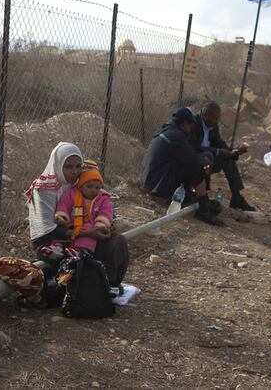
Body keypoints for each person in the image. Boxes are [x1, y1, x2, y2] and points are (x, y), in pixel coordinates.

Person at [26, 142, 129, 286]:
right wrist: (89, 233)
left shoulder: (79, 184)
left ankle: (107, 287)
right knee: (87, 254)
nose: (74, 171)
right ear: (58, 165)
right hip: (51, 243)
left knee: (118, 242)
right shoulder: (44, 188)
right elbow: (48, 231)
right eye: (68, 167)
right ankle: (87, 289)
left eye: (78, 166)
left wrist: (106, 226)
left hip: (79, 235)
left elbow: (98, 206)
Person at [140, 107, 222, 226]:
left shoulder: (167, 130)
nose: (190, 128)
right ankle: (204, 211)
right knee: (197, 168)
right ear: (184, 123)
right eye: (190, 124)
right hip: (157, 185)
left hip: (150, 181)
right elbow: (194, 160)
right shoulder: (176, 136)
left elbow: (189, 154)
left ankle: (199, 199)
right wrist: (207, 162)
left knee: (199, 161)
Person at [189, 102, 255, 212]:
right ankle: (200, 196)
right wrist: (218, 151)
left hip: (208, 159)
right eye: (214, 118)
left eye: (217, 119)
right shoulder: (193, 123)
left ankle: (236, 197)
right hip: (195, 160)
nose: (216, 122)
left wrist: (233, 152)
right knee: (209, 156)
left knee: (228, 160)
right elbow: (194, 147)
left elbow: (219, 142)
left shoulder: (213, 125)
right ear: (206, 115)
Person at [55, 167, 113, 253]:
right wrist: (62, 216)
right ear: (81, 186)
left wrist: (101, 224)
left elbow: (106, 212)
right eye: (89, 186)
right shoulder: (72, 194)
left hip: (92, 225)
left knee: (87, 229)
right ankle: (56, 248)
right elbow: (64, 205)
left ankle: (80, 250)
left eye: (97, 188)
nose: (93, 190)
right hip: (73, 223)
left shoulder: (102, 198)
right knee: (62, 231)